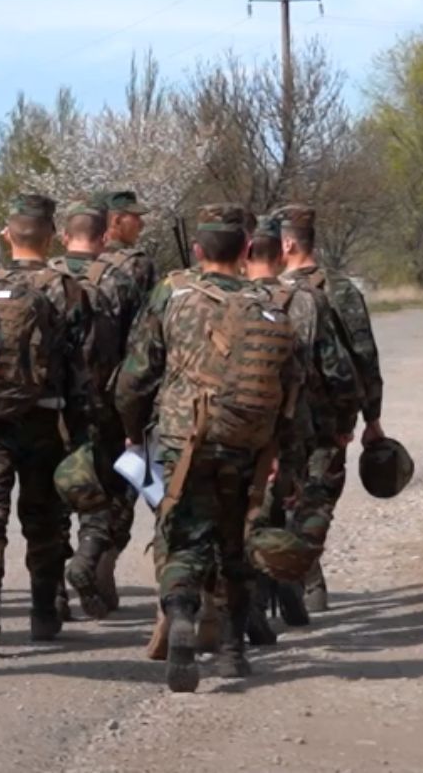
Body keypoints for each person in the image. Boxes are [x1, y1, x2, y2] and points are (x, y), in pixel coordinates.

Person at [115, 204, 299, 693]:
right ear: (246, 250)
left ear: (197, 251)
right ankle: (233, 651)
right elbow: (291, 386)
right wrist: (282, 452)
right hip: (246, 442)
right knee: (234, 541)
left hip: (183, 441)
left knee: (183, 537)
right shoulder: (269, 302)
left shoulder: (172, 294)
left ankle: (180, 616)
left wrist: (132, 431)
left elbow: (135, 375)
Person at [0, 194, 93, 655]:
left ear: (6, 236)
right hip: (45, 417)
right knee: (43, 518)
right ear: (52, 236)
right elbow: (82, 367)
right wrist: (81, 433)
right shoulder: (67, 288)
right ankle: (43, 610)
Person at [244, 213, 359, 635]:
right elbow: (338, 370)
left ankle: (255, 603)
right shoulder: (309, 300)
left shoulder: (225, 299)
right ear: (281, 251)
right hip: (298, 426)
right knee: (295, 504)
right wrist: (346, 419)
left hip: (241, 427)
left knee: (252, 514)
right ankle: (292, 579)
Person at [276, 204, 386, 612]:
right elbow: (364, 354)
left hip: (279, 417)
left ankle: (295, 575)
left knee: (282, 494)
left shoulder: (264, 291)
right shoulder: (340, 289)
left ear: (288, 244)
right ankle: (305, 576)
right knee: (318, 498)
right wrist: (370, 417)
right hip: (328, 417)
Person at [52, 201, 142, 620]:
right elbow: (139, 353)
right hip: (102, 407)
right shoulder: (120, 282)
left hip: (47, 408)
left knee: (49, 498)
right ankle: (90, 557)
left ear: (62, 237)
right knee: (109, 491)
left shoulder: (44, 278)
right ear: (104, 238)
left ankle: (51, 594)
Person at [89, 189, 158, 608]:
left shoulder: (80, 265)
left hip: (77, 397)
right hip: (123, 394)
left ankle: (66, 574)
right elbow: (148, 336)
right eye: (134, 217)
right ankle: (103, 555)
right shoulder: (138, 266)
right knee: (127, 482)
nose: (141, 223)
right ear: (115, 221)